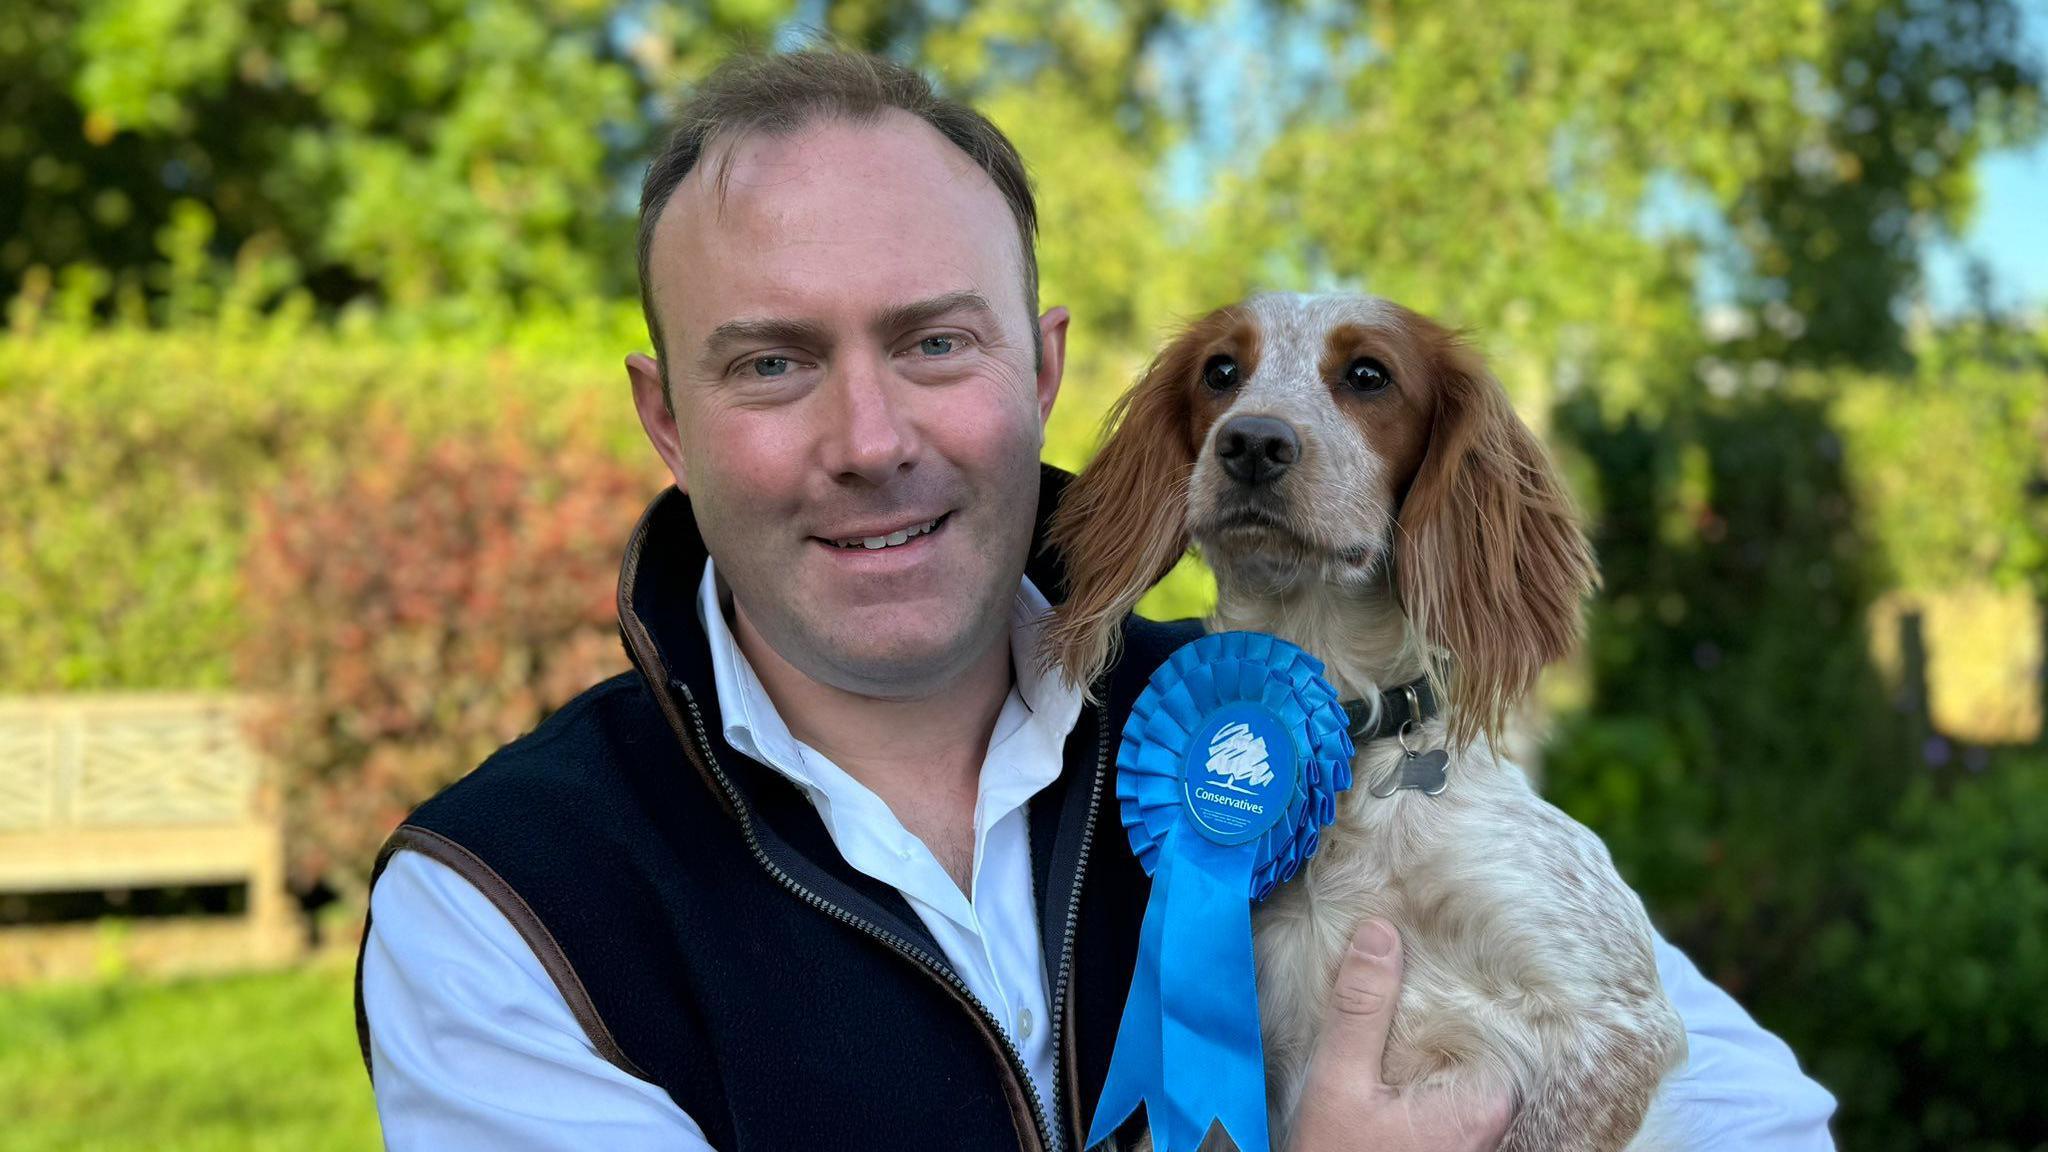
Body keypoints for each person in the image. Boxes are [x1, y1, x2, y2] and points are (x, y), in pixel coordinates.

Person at [356, 47, 1838, 1152]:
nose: (872, 442)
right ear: (664, 415)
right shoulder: (508, 905)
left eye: (936, 343)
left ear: (1044, 369)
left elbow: (1752, 1117)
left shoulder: (1284, 739)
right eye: (770, 362)